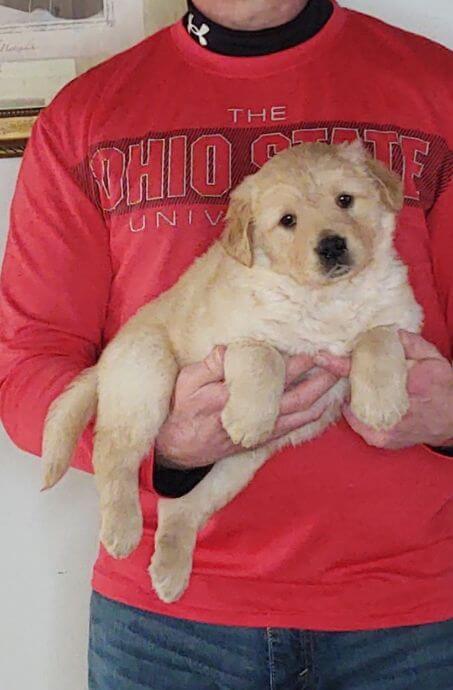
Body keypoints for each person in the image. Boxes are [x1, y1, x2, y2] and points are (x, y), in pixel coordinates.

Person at [1, 0, 453, 687]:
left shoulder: (435, 85)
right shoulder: (86, 114)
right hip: (167, 623)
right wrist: (161, 444)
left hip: (412, 611)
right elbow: (26, 366)